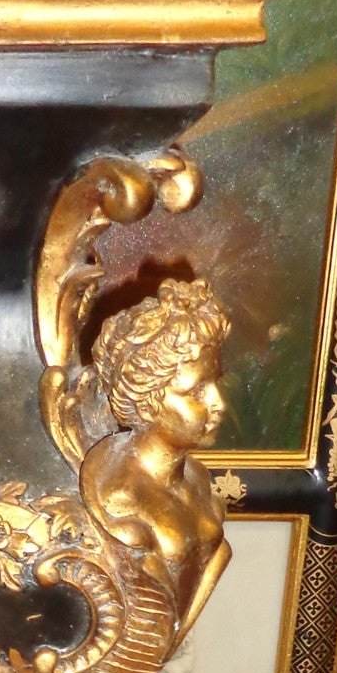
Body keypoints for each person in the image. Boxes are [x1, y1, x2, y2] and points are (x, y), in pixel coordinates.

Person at [80, 276, 232, 644]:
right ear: (150, 399)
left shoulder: (196, 480)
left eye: (215, 384)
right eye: (196, 390)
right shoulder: (120, 499)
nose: (219, 404)